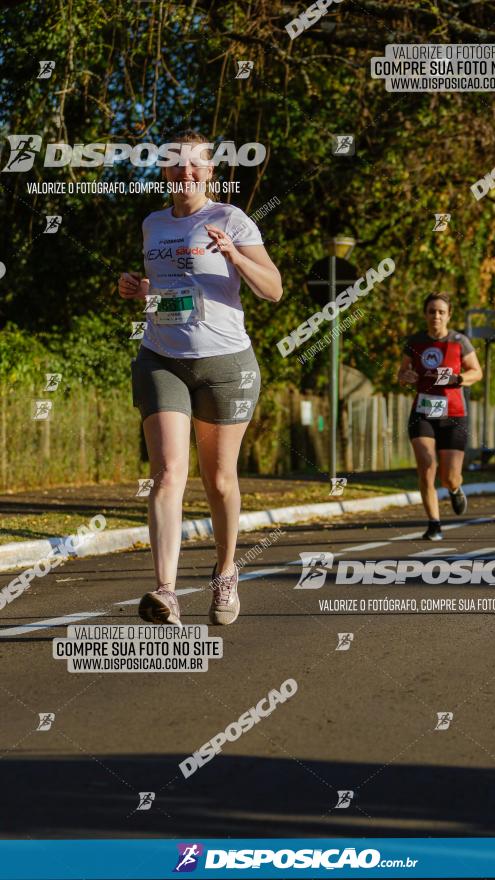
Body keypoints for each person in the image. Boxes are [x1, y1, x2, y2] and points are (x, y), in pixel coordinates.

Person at [118, 129, 282, 626]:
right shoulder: (152, 225)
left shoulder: (231, 218)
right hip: (161, 357)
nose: (185, 173)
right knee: (167, 474)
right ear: (163, 172)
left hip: (225, 364)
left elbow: (273, 289)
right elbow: (168, 291)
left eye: (195, 165)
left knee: (219, 479)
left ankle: (226, 573)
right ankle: (166, 591)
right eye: (175, 164)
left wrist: (234, 256)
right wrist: (138, 288)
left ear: (210, 171)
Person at [398, 293, 482, 541]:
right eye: (431, 311)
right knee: (426, 465)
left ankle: (455, 488)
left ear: (448, 315)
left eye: (441, 312)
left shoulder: (459, 341)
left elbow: (477, 372)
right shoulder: (415, 342)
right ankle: (434, 524)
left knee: (448, 477)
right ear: (425, 314)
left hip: (453, 414)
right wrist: (406, 377)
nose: (436, 316)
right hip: (423, 411)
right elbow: (402, 373)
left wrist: (459, 379)